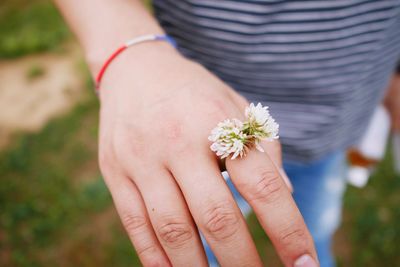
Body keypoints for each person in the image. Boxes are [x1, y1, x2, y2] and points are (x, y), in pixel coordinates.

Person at [54, 1, 400, 266]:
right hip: (197, 138)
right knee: (206, 227)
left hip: (332, 130)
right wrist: (129, 51)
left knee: (316, 224)